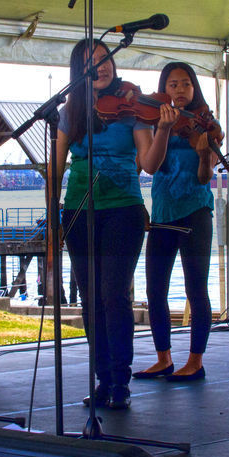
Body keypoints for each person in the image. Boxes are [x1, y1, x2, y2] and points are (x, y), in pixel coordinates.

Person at [53, 38, 164, 410]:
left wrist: (163, 129)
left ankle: (121, 380)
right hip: (78, 211)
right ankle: (102, 379)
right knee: (90, 300)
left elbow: (149, 163)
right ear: (78, 70)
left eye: (105, 60)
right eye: (92, 62)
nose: (101, 67)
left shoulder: (133, 108)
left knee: (113, 296)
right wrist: (53, 211)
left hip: (123, 210)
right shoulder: (70, 112)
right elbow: (56, 166)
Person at [135, 62, 216, 383]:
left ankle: (195, 361)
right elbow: (151, 167)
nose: (180, 90)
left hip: (195, 211)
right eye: (172, 85)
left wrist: (203, 152)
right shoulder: (154, 120)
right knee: (156, 290)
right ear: (163, 89)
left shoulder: (206, 124)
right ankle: (163, 359)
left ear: (194, 88)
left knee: (196, 289)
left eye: (185, 84)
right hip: (163, 214)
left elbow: (204, 176)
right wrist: (164, 129)